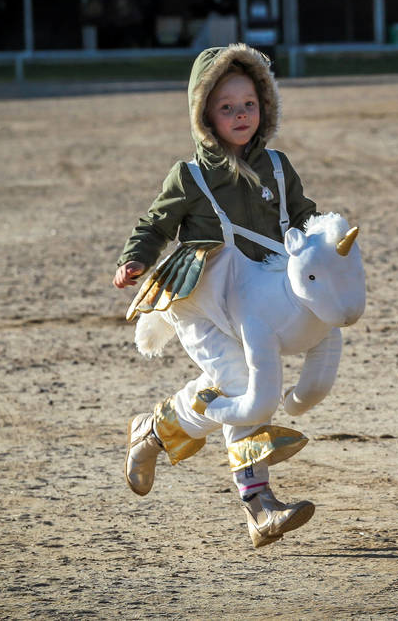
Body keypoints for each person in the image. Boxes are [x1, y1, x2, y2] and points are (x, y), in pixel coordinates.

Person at [114, 44, 320, 548]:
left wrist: (326, 248)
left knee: (229, 384)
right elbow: (154, 223)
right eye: (225, 107)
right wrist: (135, 258)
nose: (239, 115)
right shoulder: (188, 175)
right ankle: (260, 506)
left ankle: (154, 430)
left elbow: (304, 213)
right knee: (244, 380)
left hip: (257, 296)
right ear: (204, 114)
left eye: (248, 103)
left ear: (264, 106)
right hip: (200, 297)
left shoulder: (277, 166)